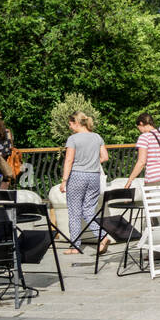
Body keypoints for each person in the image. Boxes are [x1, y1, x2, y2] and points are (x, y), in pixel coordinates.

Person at [60, 110, 110, 256]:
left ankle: (75, 246)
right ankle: (102, 236)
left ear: (76, 123)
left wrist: (64, 181)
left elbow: (69, 160)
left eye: (70, 124)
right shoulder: (97, 137)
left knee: (75, 212)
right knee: (88, 210)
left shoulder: (73, 139)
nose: (70, 127)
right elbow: (105, 157)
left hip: (77, 177)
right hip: (94, 176)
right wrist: (92, 163)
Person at [124, 113, 160, 188]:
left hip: (154, 179)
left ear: (141, 123)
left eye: (138, 127)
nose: (139, 130)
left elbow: (142, 162)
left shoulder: (144, 137)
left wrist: (129, 181)